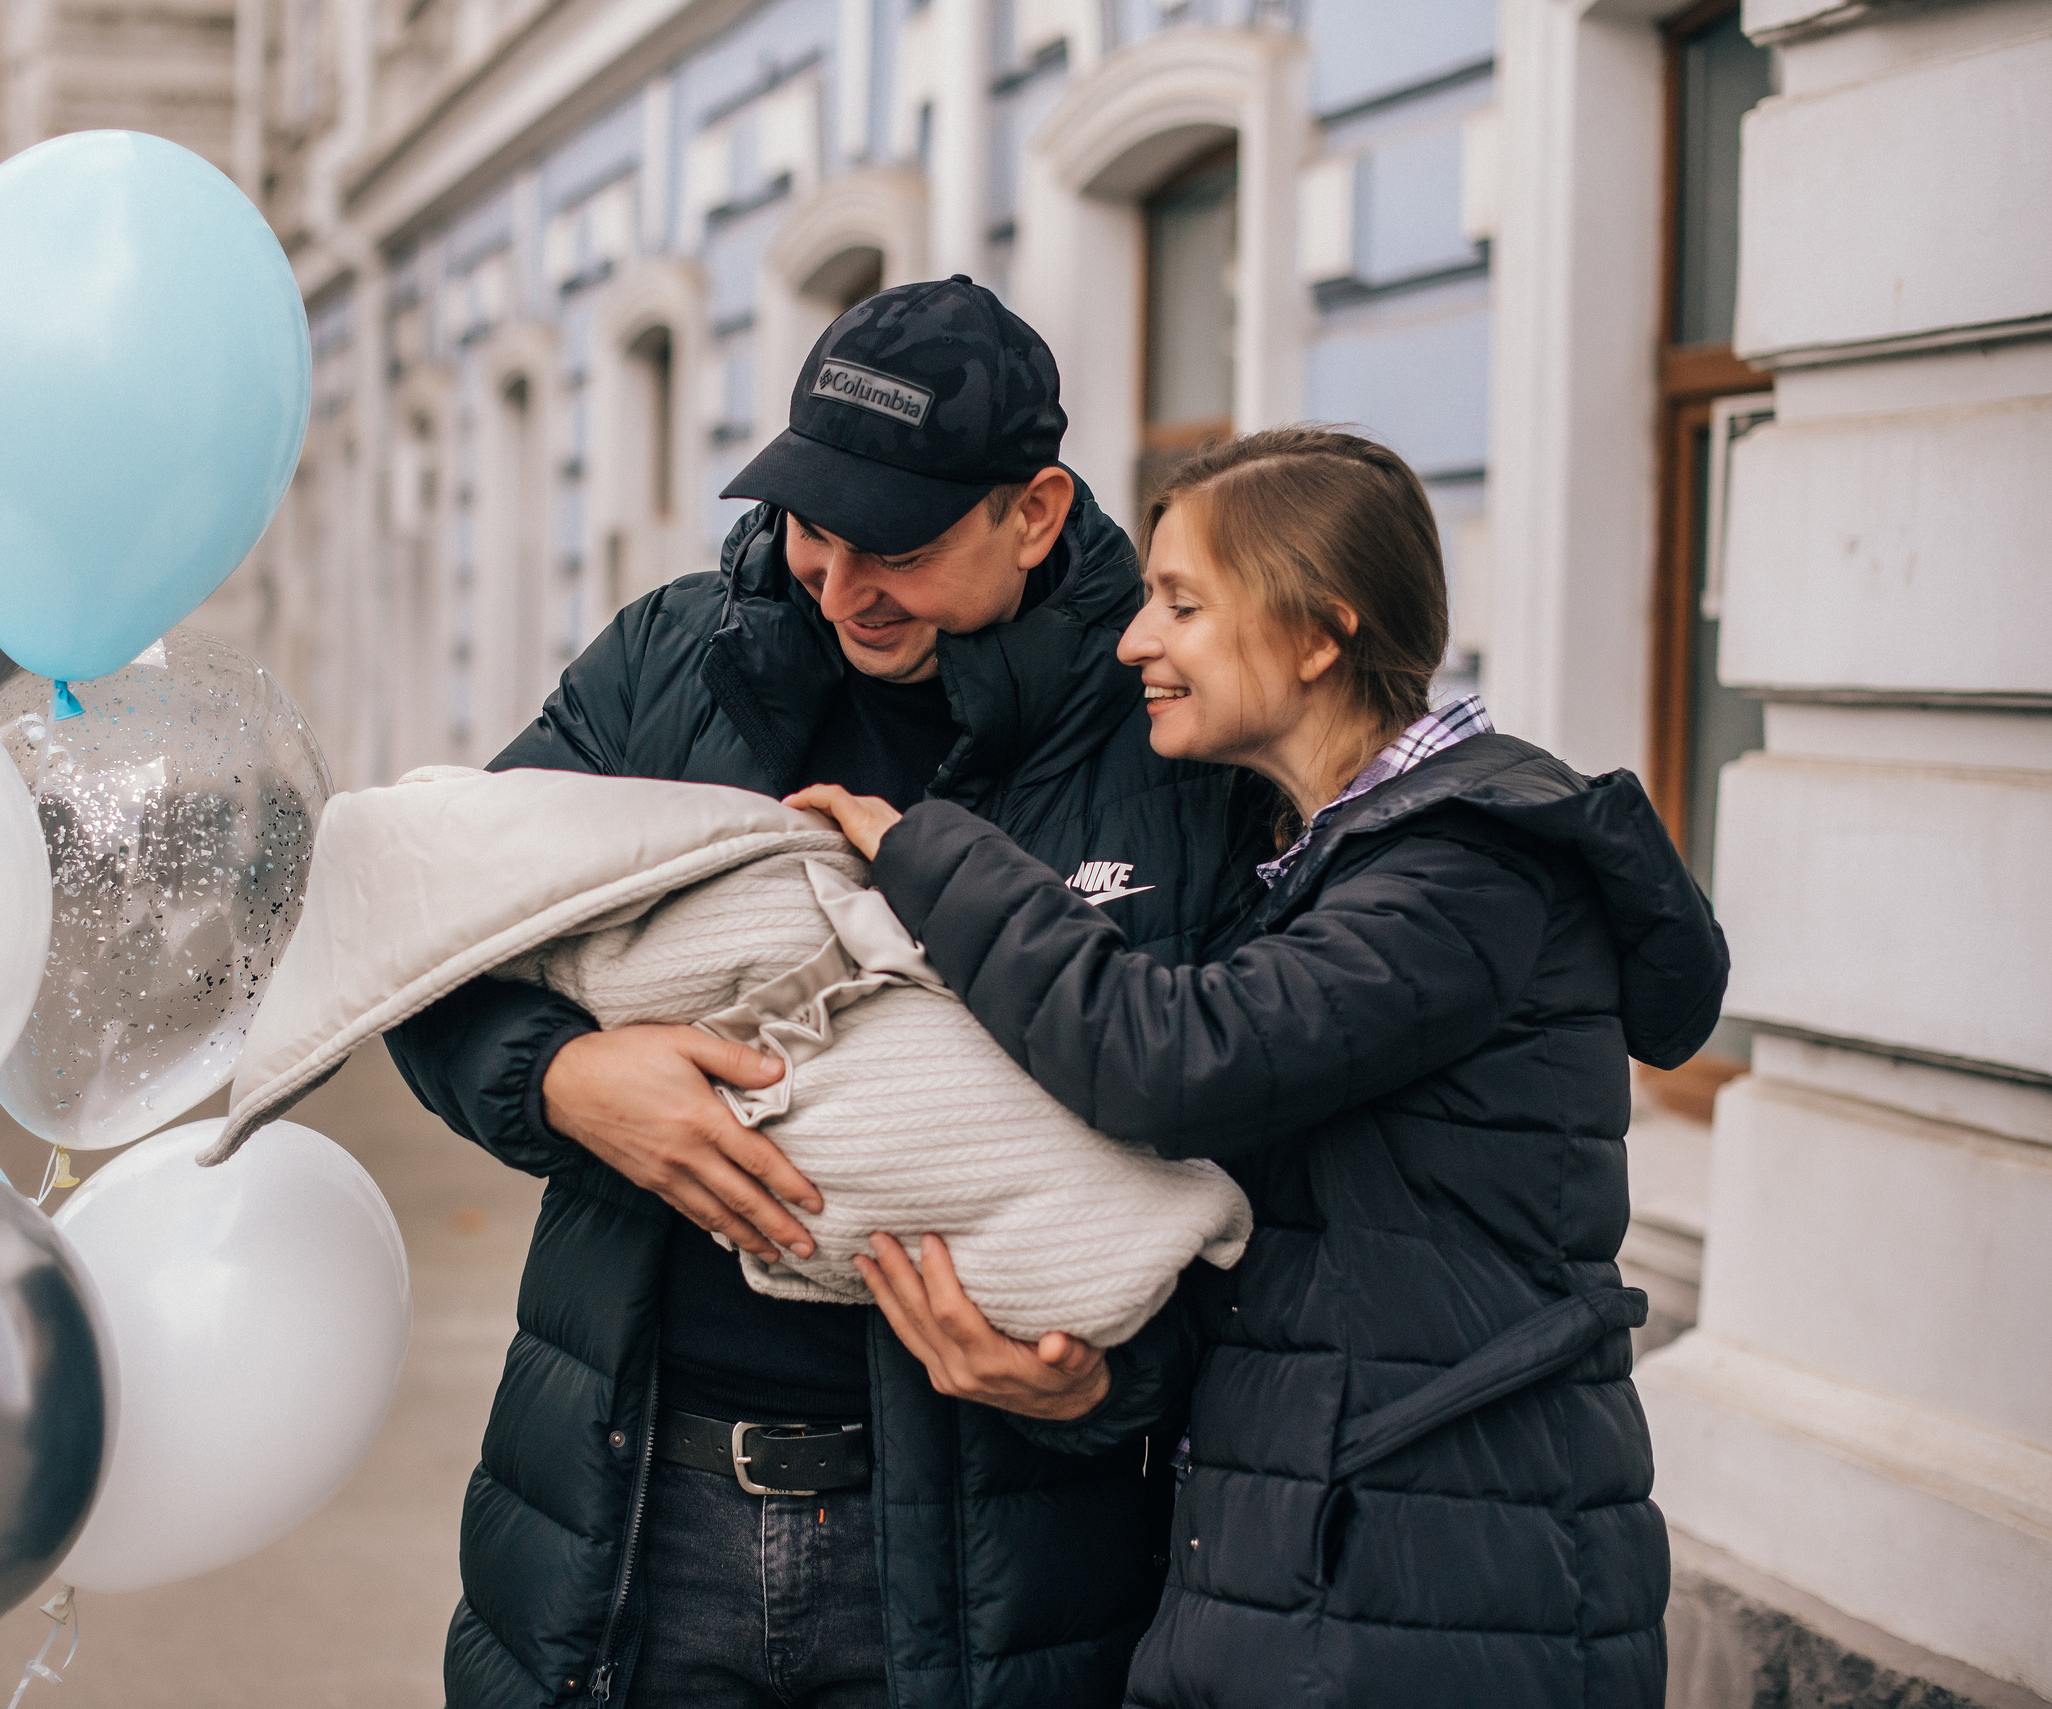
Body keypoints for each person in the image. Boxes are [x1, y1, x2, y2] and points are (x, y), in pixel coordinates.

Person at [382, 277, 1277, 1709]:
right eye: (814, 524)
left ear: (1034, 514)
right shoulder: (670, 664)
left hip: (992, 1567)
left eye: (901, 546)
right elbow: (420, 944)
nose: (843, 581)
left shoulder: (1173, 731)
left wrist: (1114, 1389)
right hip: (632, 1512)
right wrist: (562, 1082)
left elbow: (1262, 1144)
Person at [792, 426, 1729, 1709]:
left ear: (1315, 634)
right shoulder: (1327, 868)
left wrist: (926, 854)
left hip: (1447, 1579)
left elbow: (1171, 1058)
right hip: (1322, 1550)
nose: (1135, 642)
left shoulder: (1465, 873)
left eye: (1181, 604)